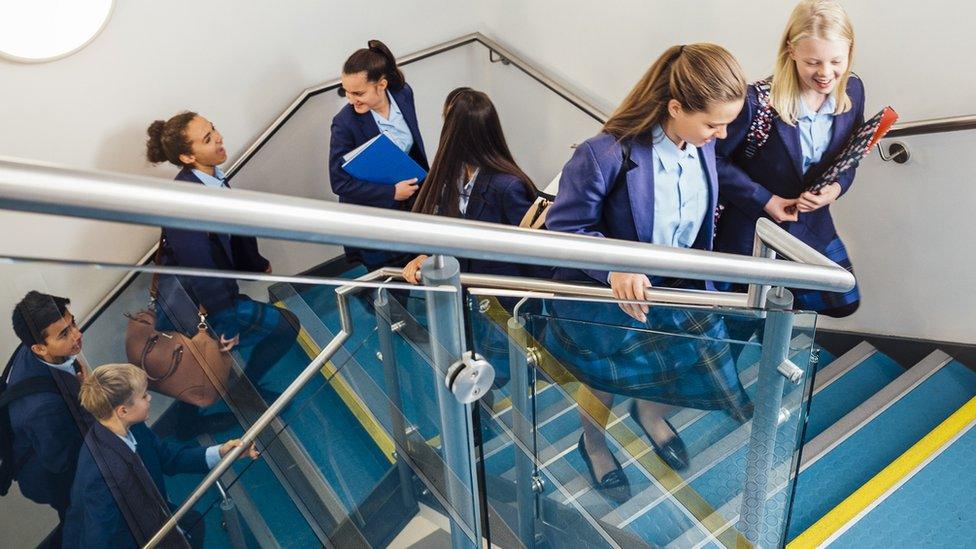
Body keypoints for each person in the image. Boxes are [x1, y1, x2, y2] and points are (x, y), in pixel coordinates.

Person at [544, 44, 751, 501]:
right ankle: (593, 444)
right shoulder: (604, 154)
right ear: (675, 107)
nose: (720, 135)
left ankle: (651, 416)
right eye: (712, 124)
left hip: (675, 293)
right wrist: (615, 267)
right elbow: (565, 229)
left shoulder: (700, 147)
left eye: (727, 124)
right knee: (604, 385)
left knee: (685, 366)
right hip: (614, 299)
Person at [146, 111, 300, 437]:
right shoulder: (184, 199)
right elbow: (199, 267)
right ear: (187, 157)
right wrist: (226, 320)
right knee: (285, 327)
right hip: (197, 306)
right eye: (206, 138)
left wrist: (254, 263)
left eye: (213, 128)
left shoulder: (212, 177)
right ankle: (238, 394)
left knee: (197, 362)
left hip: (207, 301)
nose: (218, 136)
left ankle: (200, 415)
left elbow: (234, 227)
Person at [716, 0, 863, 317]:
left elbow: (852, 154)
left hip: (811, 226)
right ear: (791, 50)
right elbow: (712, 161)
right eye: (813, 62)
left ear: (850, 52)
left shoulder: (853, 90)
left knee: (844, 301)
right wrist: (766, 199)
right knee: (747, 321)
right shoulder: (755, 102)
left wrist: (835, 189)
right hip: (753, 232)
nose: (826, 74)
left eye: (837, 61)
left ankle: (777, 328)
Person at [401, 87, 542, 390]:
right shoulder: (450, 178)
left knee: (498, 375)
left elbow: (529, 256)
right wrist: (427, 255)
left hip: (499, 306)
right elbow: (445, 229)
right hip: (465, 300)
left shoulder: (508, 186)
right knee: (469, 372)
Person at [63, 363, 258, 548]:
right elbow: (98, 538)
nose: (150, 399)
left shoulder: (132, 426)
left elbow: (166, 457)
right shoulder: (104, 475)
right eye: (144, 396)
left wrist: (222, 452)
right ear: (123, 410)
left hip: (158, 519)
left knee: (194, 524)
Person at [330, 39, 430, 272]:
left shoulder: (403, 94)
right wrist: (391, 192)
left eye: (358, 93)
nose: (351, 99)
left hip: (412, 204)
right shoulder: (344, 123)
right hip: (374, 216)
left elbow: (413, 147)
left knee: (419, 266)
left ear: (382, 84)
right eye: (346, 91)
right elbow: (339, 181)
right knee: (389, 279)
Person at [5, 291, 93, 546]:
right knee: (81, 522)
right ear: (39, 348)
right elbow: (63, 465)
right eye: (64, 334)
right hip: (50, 476)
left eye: (73, 323)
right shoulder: (43, 409)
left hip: (48, 447)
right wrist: (88, 405)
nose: (77, 334)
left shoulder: (35, 350)